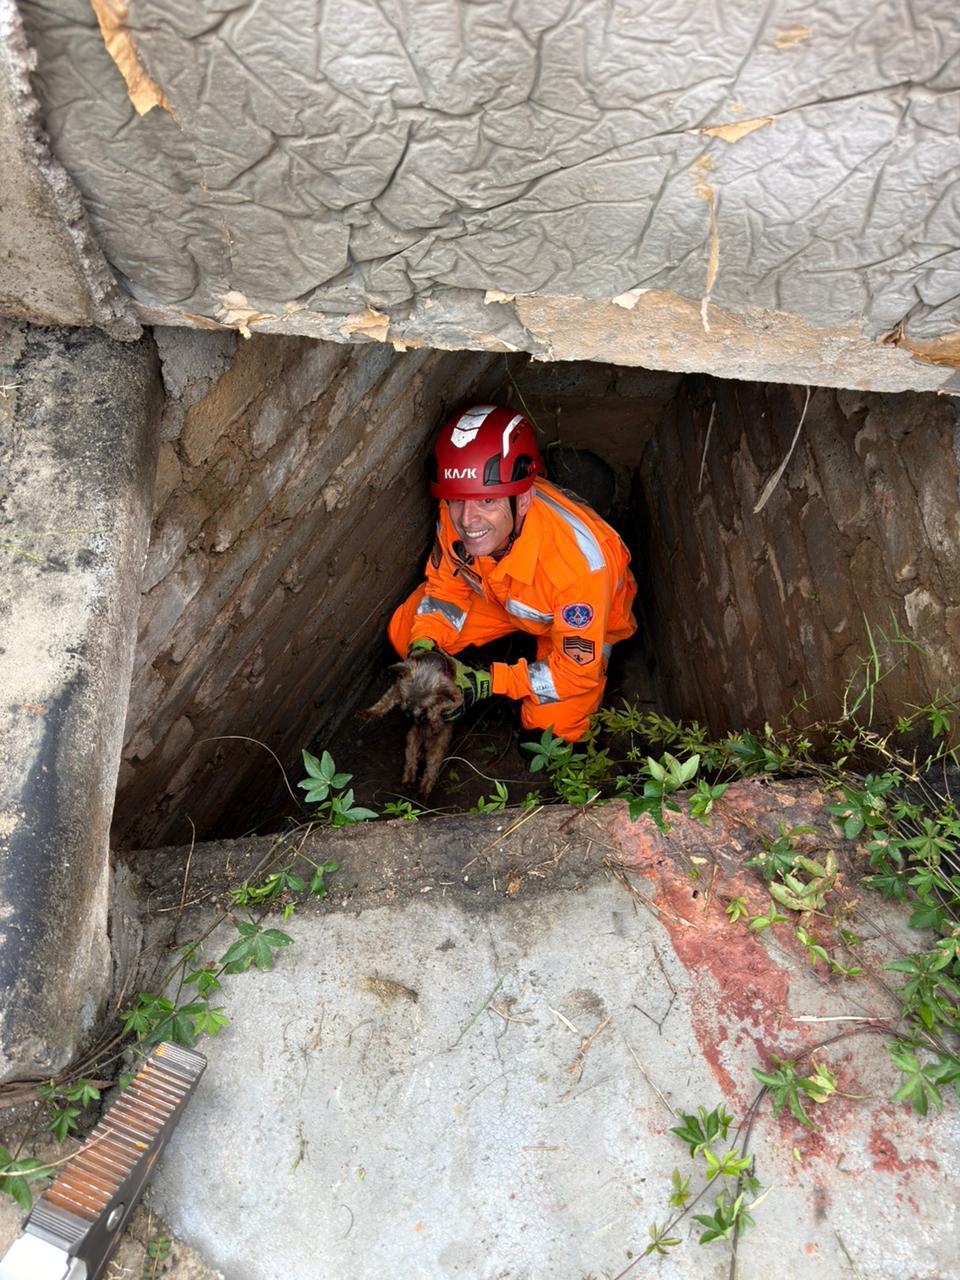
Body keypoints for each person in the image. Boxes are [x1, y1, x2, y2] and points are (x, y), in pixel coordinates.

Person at [388, 405, 638, 741]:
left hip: (580, 623)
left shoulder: (579, 571)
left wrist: (490, 682)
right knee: (405, 631)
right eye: (457, 500)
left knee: (552, 730)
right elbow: (446, 588)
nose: (467, 521)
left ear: (522, 499)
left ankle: (507, 683)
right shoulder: (456, 513)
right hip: (504, 598)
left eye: (487, 502)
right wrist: (424, 649)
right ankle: (470, 663)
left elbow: (575, 674)